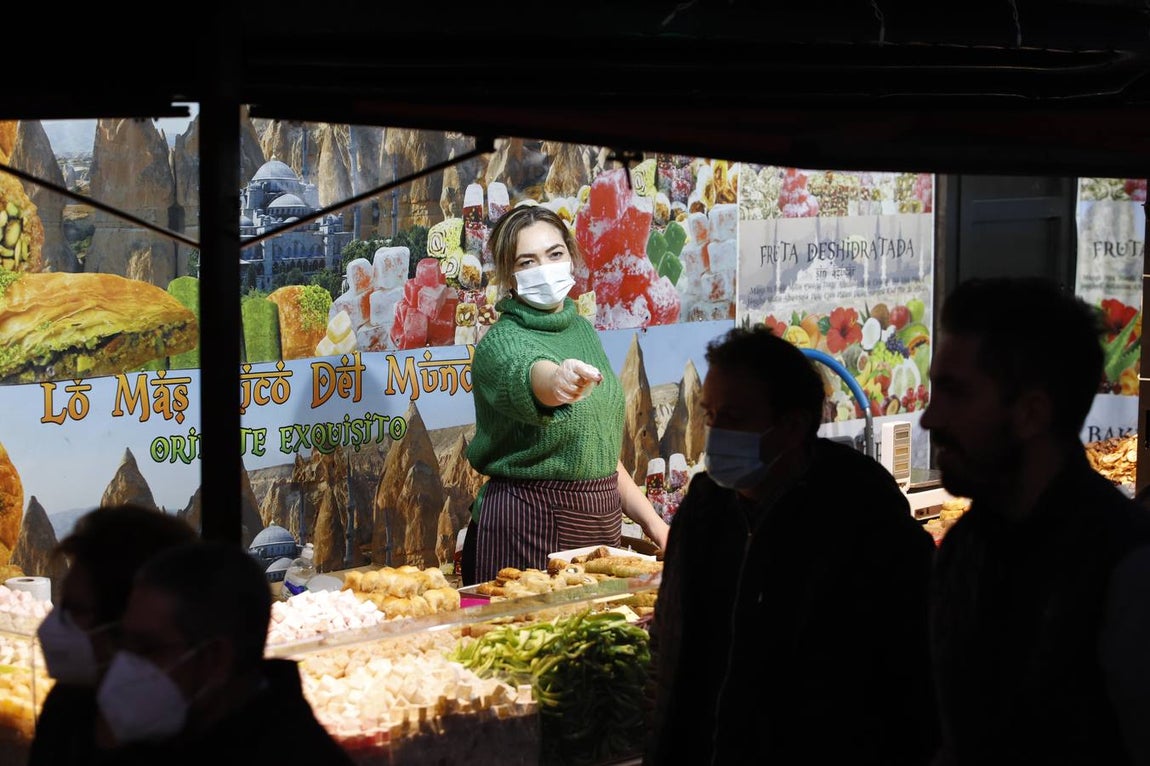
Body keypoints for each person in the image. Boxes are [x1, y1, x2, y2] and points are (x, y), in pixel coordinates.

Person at [644, 323, 939, 766]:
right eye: (710, 415)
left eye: (735, 418)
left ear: (793, 424)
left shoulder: (859, 507)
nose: (716, 432)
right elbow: (676, 657)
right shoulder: (705, 507)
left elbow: (903, 668)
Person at [920, 276, 1150, 766]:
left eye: (955, 394)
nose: (929, 419)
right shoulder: (965, 549)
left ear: (1031, 414)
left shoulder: (1126, 569)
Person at [463, 204, 669, 584]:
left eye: (554, 254)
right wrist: (559, 381)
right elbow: (529, 375)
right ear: (508, 276)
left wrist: (657, 526)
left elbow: (601, 455)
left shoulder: (583, 331)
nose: (544, 268)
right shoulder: (500, 343)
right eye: (527, 262)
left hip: (598, 526)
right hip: (524, 530)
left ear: (570, 256)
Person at [89, 539, 354, 765]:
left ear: (215, 659)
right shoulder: (189, 728)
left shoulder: (294, 752)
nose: (122, 665)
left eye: (146, 648)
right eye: (122, 643)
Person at [29, 503, 199, 766]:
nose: (52, 625)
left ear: (132, 619)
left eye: (77, 609)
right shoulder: (69, 702)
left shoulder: (213, 742)